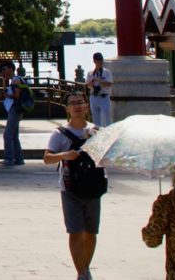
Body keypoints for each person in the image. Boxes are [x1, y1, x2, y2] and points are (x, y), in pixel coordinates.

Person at [43, 93, 104, 280]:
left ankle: (85, 268)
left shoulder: (97, 131)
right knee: (76, 232)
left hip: (94, 186)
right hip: (70, 188)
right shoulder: (59, 133)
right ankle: (82, 274)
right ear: (67, 109)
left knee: (91, 232)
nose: (77, 106)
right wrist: (64, 155)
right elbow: (47, 158)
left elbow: (106, 156)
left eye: (80, 103)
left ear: (86, 106)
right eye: (73, 103)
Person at [0, 62, 24, 166]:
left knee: (7, 134)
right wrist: (4, 82)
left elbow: (17, 95)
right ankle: (19, 159)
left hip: (15, 109)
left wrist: (8, 96)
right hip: (15, 110)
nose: (4, 71)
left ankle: (9, 158)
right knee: (14, 135)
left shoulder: (15, 80)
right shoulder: (12, 80)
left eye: (5, 69)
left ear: (11, 69)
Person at [86, 52, 112, 127]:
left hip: (104, 96)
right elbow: (88, 85)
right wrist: (92, 83)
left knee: (107, 118)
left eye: (101, 60)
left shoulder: (106, 72)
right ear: (94, 61)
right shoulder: (90, 73)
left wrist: (99, 81)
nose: (100, 62)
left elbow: (109, 84)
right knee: (96, 120)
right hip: (94, 96)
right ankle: (97, 134)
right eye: (98, 60)